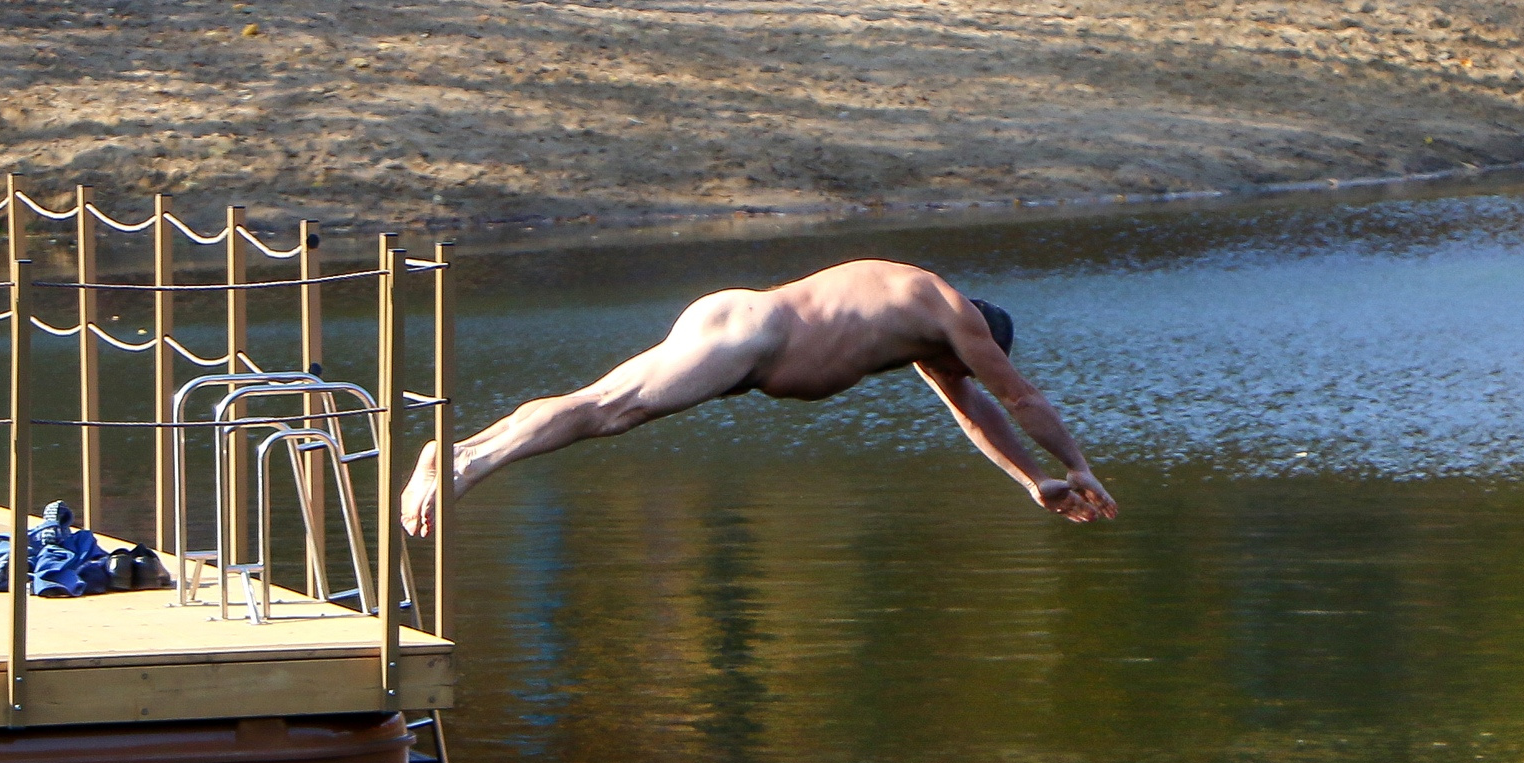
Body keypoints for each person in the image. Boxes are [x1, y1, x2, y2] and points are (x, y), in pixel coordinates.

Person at [398, 260, 1118, 535]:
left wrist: (1035, 481)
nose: (952, 376)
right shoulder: (948, 311)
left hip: (742, 332)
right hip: (753, 333)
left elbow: (974, 412)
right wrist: (1079, 463)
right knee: (608, 407)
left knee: (606, 407)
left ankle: (465, 455)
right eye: (963, 364)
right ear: (977, 333)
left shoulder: (923, 337)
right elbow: (1016, 399)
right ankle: (462, 459)